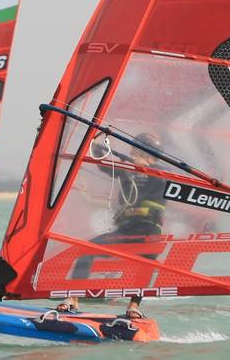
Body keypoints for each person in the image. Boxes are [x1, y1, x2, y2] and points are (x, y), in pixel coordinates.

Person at [57, 132, 167, 321]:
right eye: (132, 151)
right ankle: (73, 298)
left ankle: (133, 307)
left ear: (149, 155)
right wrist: (95, 141)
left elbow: (167, 178)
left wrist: (147, 167)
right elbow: (102, 164)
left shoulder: (161, 174)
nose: (132, 154)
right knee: (85, 250)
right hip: (125, 231)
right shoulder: (126, 170)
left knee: (146, 262)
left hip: (149, 230)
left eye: (136, 151)